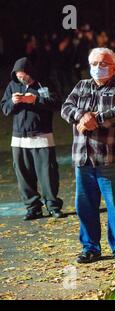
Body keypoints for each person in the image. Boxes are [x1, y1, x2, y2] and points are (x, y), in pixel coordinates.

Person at [61, 48, 115, 264]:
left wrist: (96, 119)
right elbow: (66, 107)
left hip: (111, 159)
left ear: (114, 67)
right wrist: (81, 116)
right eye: (94, 63)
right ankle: (90, 247)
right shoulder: (81, 85)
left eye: (103, 63)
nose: (97, 67)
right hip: (83, 159)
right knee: (84, 206)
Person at [0, 57, 64, 220]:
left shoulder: (44, 83)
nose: (21, 78)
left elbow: (56, 103)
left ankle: (53, 206)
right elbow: (5, 108)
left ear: (30, 72)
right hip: (19, 138)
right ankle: (33, 207)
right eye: (18, 76)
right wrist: (13, 102)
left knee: (48, 174)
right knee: (23, 175)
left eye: (23, 75)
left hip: (42, 136)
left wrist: (35, 100)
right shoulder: (13, 85)